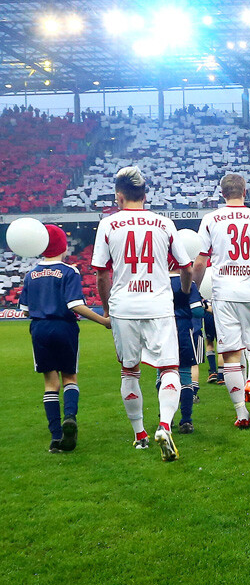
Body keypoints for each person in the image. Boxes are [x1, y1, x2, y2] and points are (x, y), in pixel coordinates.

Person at [93, 166, 193, 460]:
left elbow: (101, 274)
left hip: (124, 305)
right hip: (158, 304)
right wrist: (183, 295)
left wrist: (109, 310)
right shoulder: (164, 223)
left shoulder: (109, 225)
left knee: (129, 370)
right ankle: (164, 425)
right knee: (169, 369)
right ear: (145, 195)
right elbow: (186, 268)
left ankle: (139, 435)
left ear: (119, 196)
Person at [194, 173, 250, 430]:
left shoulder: (211, 220)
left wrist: (194, 289)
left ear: (222, 193)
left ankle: (241, 414)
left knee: (231, 355)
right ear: (245, 191)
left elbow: (200, 262)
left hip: (224, 294)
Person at [20, 224, 110, 453]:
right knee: (70, 378)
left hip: (39, 329)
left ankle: (55, 438)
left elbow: (24, 311)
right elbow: (75, 305)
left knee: (50, 384)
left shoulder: (30, 274)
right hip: (64, 327)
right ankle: (69, 417)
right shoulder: (69, 271)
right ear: (63, 246)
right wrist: (103, 320)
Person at [168, 254, 202, 434]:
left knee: (163, 374)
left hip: (162, 330)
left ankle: (166, 416)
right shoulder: (189, 283)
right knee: (185, 375)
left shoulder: (157, 282)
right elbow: (197, 311)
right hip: (182, 329)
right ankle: (186, 420)